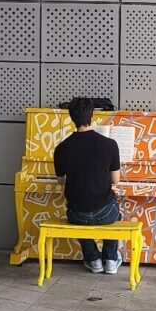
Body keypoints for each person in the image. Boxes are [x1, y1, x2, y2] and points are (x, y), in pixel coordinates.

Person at [54, 97, 122, 274]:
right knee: (116, 212)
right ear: (93, 115)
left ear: (71, 117)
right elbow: (115, 180)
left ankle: (92, 259)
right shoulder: (110, 144)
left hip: (78, 215)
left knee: (77, 211)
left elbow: (61, 181)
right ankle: (110, 259)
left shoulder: (62, 148)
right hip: (106, 213)